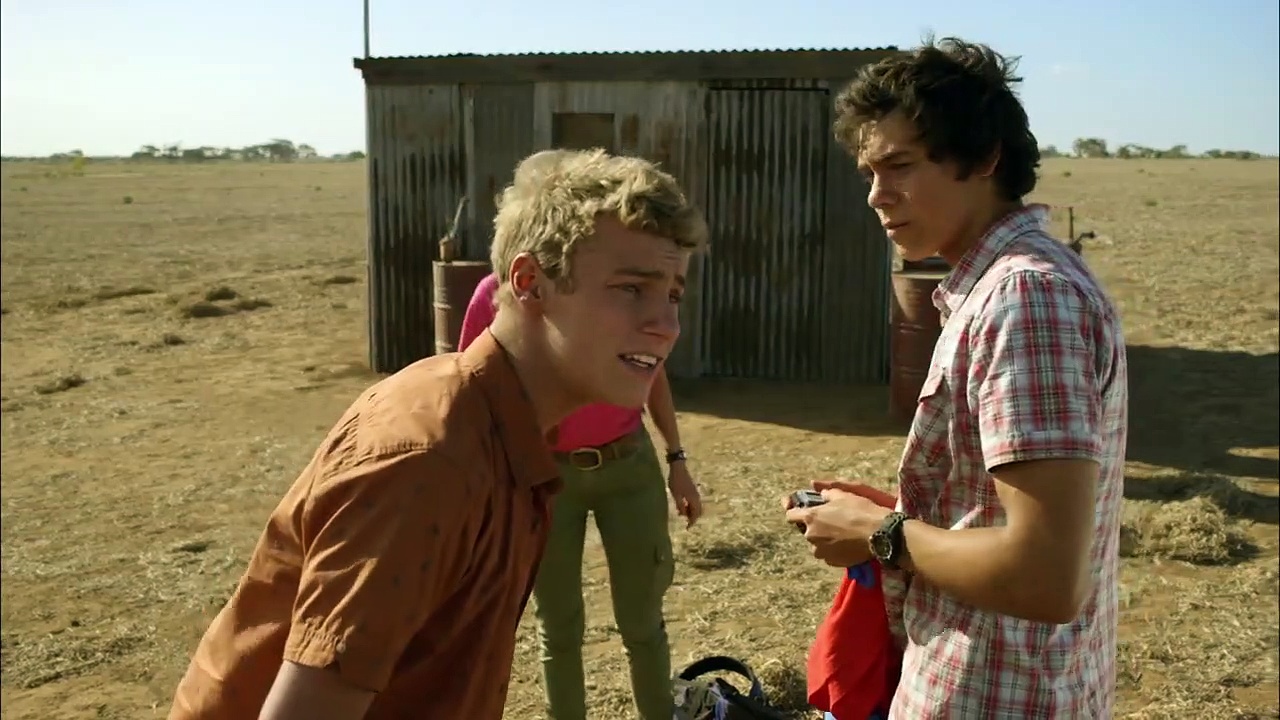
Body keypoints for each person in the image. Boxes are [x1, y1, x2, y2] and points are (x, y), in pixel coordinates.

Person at [166, 147, 708, 720]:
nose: (667, 326)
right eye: (631, 289)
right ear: (529, 282)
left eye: (673, 294)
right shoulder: (429, 460)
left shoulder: (506, 435)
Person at [786, 38, 1129, 719]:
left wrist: (882, 533)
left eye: (900, 166)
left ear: (984, 157)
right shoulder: (1007, 287)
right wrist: (906, 514)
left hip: (992, 693)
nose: (877, 196)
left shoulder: (1025, 298)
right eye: (869, 173)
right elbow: (1010, 520)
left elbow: (1044, 575)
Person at [456, 161, 703, 720]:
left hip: (627, 464)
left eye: (671, 295)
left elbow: (653, 373)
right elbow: (479, 386)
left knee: (643, 621)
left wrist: (677, 459)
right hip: (551, 477)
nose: (664, 320)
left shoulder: (634, 317)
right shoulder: (494, 298)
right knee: (558, 625)